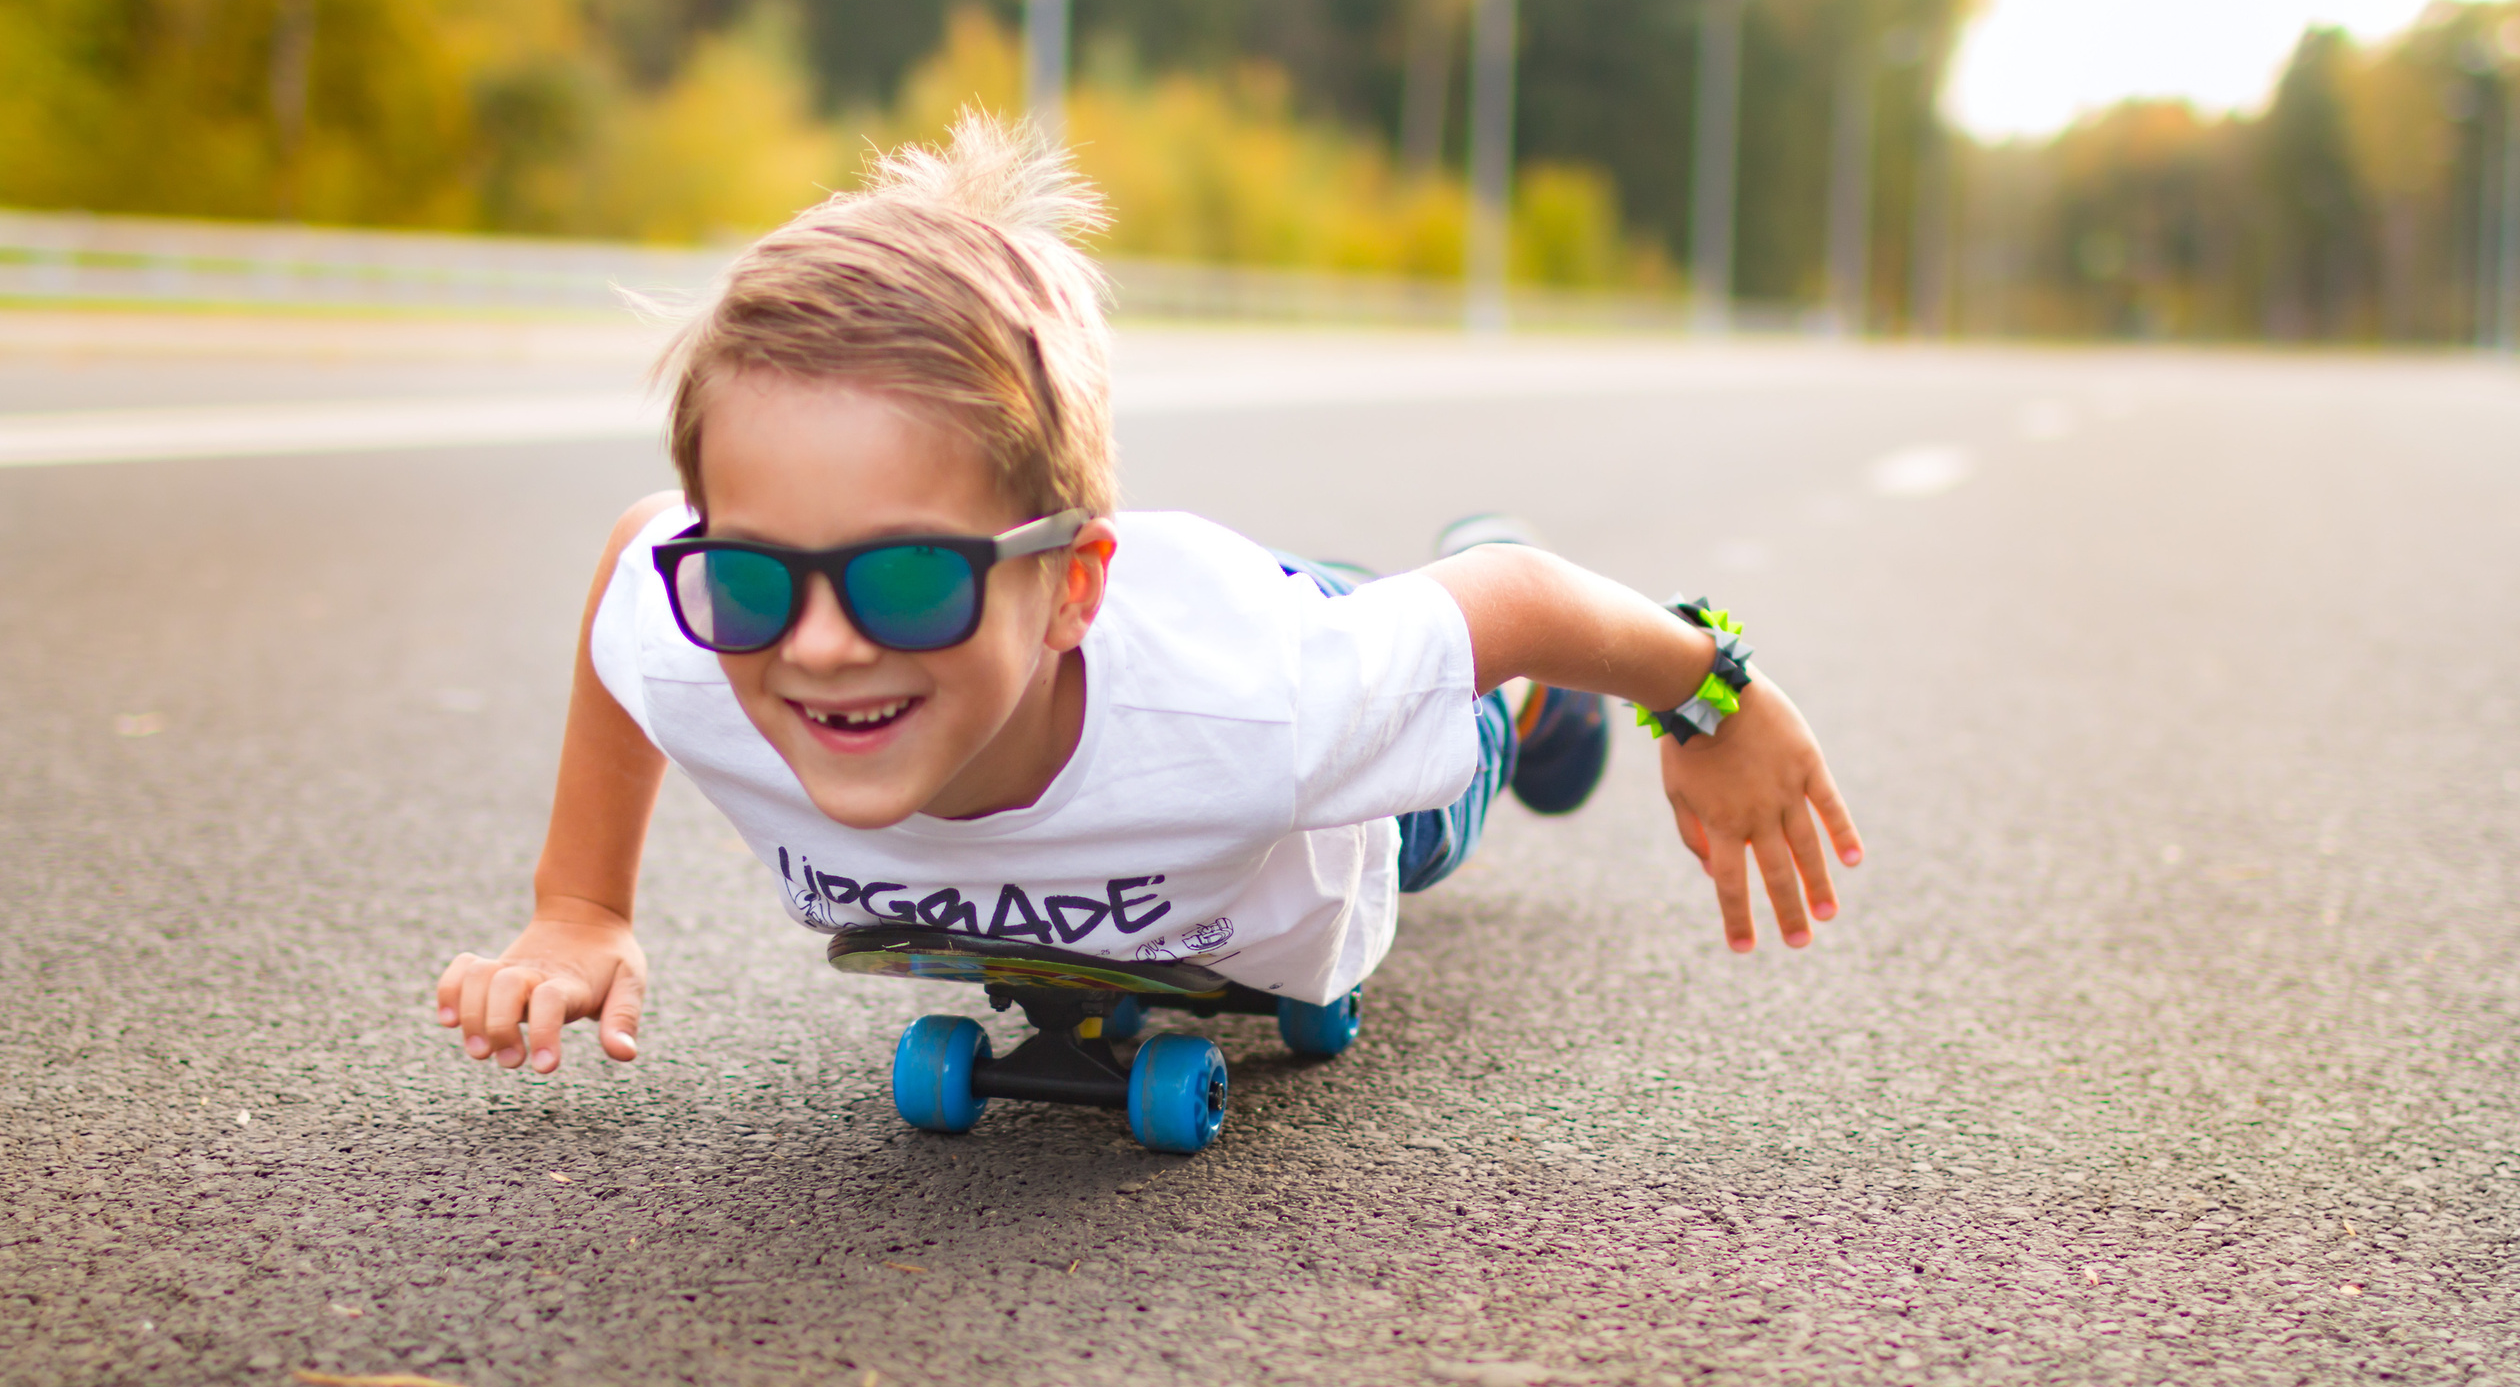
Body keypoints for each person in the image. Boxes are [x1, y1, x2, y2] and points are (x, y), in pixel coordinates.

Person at [434, 115, 1862, 1076]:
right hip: (1182, 635)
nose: (814, 644)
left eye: (911, 578)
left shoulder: (1268, 713)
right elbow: (636, 554)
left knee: (1474, 731)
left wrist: (1711, 695)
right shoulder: (691, 632)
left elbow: (1519, 595)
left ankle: (1535, 719)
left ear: (1068, 589)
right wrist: (578, 907)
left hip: (1322, 735)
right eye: (753, 576)